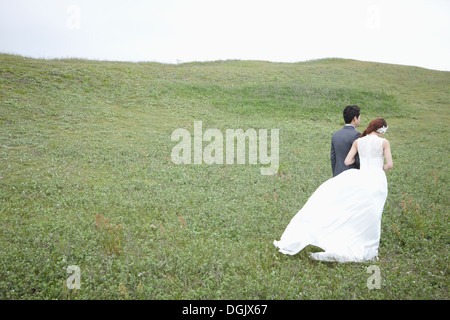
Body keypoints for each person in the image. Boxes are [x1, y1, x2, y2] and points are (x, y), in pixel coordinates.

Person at [273, 118, 393, 263]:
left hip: (361, 179)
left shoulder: (359, 141)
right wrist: (379, 168)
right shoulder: (384, 142)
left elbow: (348, 161)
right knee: (373, 214)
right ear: (381, 130)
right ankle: (368, 247)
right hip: (376, 181)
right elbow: (389, 165)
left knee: (357, 212)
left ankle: (348, 240)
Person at [331, 105, 361, 177]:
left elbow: (333, 158)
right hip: (352, 175)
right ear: (355, 119)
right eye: (359, 118)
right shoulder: (357, 135)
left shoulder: (335, 135)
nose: (359, 120)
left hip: (337, 174)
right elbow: (358, 159)